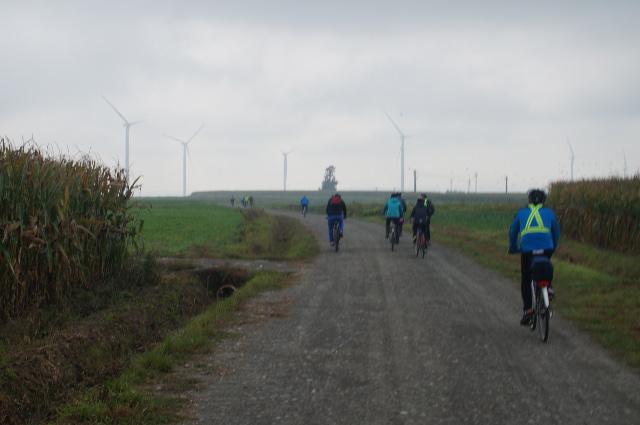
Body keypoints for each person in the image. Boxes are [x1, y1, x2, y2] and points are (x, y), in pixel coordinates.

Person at [509, 189, 560, 326]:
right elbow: (556, 232)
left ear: (529, 200)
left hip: (527, 249)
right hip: (547, 248)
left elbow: (513, 232)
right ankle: (548, 288)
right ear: (544, 200)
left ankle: (528, 310)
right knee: (545, 265)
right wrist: (554, 246)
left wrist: (513, 247)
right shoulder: (550, 213)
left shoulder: (521, 213)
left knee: (526, 278)